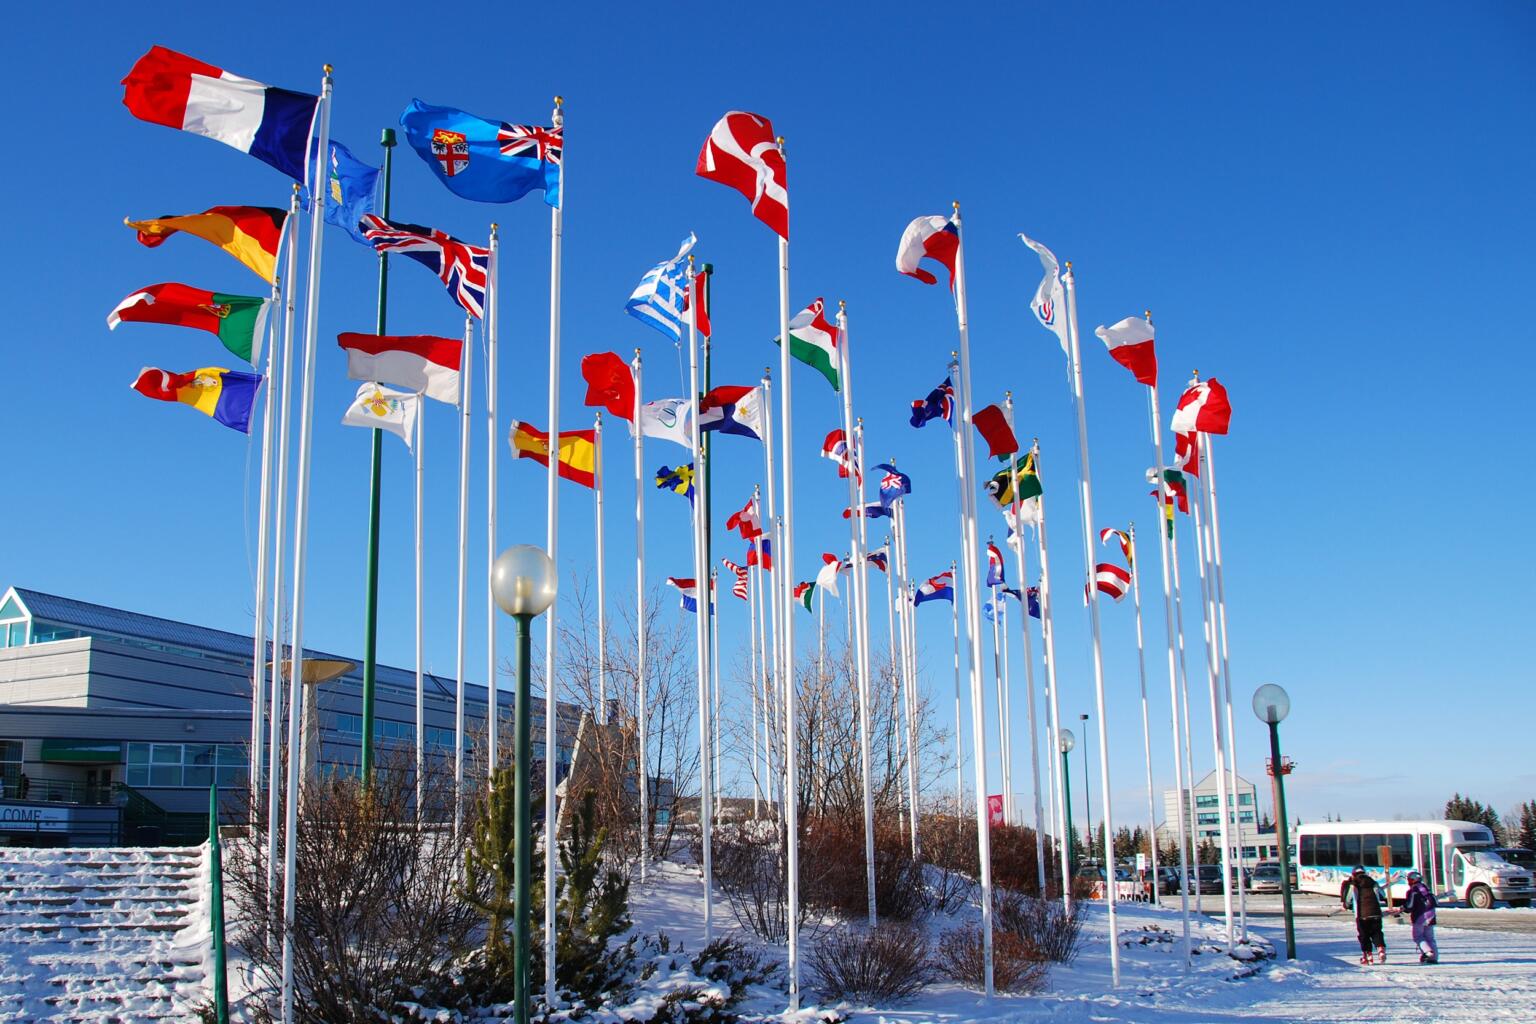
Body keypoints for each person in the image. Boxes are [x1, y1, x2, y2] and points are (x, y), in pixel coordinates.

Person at [1342, 865, 1388, 964]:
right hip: (1376, 913)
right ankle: (1380, 949)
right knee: (1377, 932)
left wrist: (1346, 905)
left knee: (1364, 935)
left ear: (1354, 874)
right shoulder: (1373, 882)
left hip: (1361, 914)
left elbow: (1348, 899)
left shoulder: (1353, 884)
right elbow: (1382, 895)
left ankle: (1368, 955)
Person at [1400, 869, 1438, 963]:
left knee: (1418, 937)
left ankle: (1427, 952)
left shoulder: (1413, 891)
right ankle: (1434, 958)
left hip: (1419, 917)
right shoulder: (1426, 888)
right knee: (1430, 938)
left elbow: (1410, 906)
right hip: (1431, 915)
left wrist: (1403, 908)